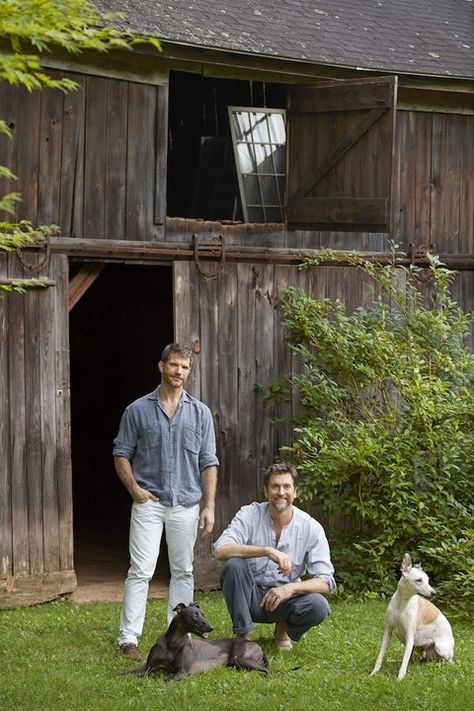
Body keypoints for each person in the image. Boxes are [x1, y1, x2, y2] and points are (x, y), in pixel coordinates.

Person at [113, 343, 219, 661]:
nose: (179, 372)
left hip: (186, 503)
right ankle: (128, 639)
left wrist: (209, 505)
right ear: (161, 366)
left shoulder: (200, 413)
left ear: (189, 370)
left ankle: (179, 636)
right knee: (140, 571)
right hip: (148, 502)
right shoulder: (137, 410)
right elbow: (121, 453)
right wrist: (134, 489)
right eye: (173, 365)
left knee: (183, 571)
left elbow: (208, 462)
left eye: (184, 367)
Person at [213, 463, 335, 650]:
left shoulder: (311, 527)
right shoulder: (249, 514)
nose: (281, 492)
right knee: (234, 565)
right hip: (250, 596)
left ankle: (282, 628)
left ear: (295, 492)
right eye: (275, 486)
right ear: (266, 491)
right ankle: (243, 637)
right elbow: (220, 550)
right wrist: (266, 550)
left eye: (287, 486)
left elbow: (326, 582)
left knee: (319, 605)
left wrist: (289, 589)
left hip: (284, 599)